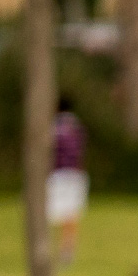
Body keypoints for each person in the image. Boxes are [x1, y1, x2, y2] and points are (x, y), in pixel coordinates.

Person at [47, 95, 88, 266]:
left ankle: (48, 248)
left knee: (52, 213)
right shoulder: (78, 126)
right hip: (76, 174)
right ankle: (67, 250)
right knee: (71, 213)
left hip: (58, 174)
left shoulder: (53, 127)